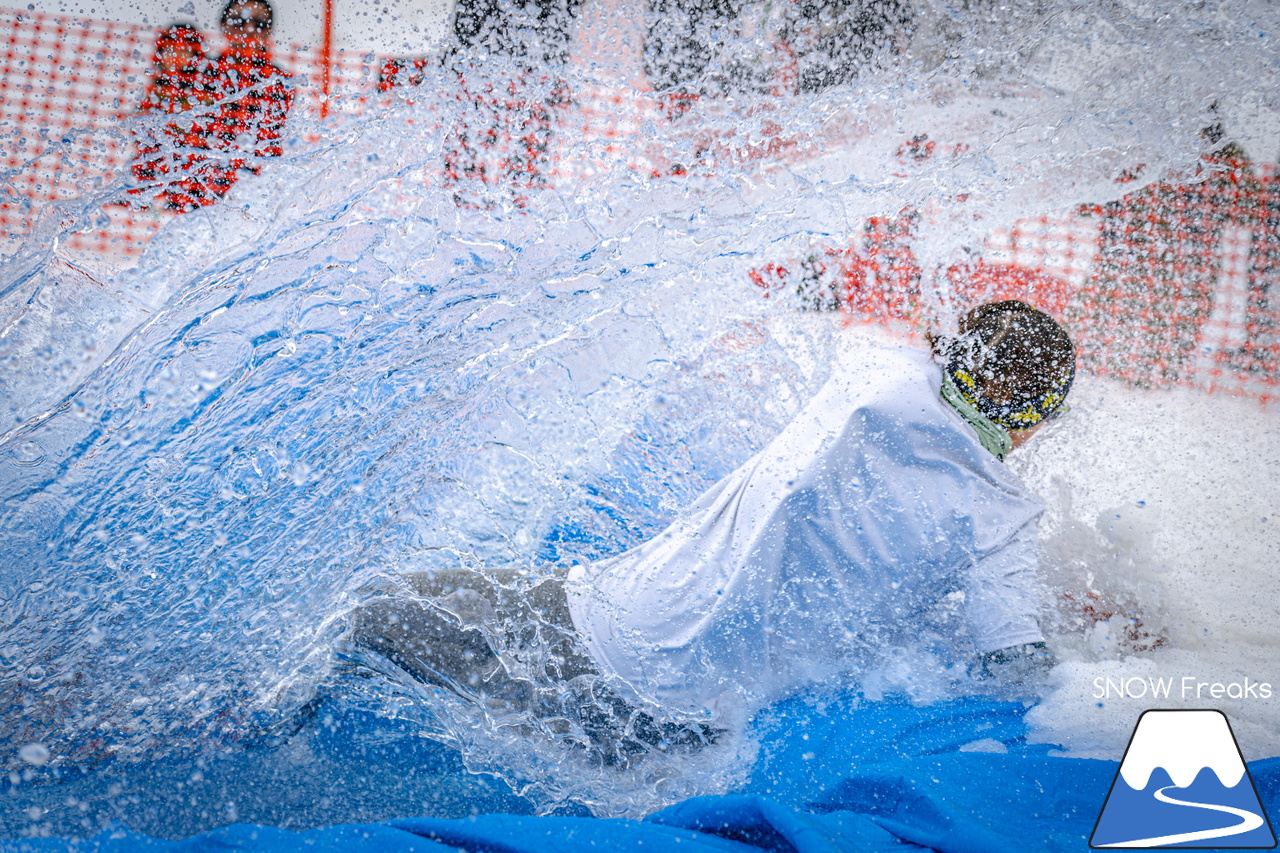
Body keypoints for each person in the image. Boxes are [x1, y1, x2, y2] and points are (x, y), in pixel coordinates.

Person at [350, 300, 1074, 759]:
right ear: (1035, 420)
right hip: (686, 727)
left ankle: (250, 719)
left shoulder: (874, 370)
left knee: (366, 614)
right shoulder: (1004, 520)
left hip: (595, 622)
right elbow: (1012, 667)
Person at [128, 23, 221, 211]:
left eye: (184, 51)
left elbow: (210, 131)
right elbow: (141, 133)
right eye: (170, 50)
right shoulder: (157, 88)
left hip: (196, 173)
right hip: (156, 171)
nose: (176, 57)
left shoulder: (208, 87)